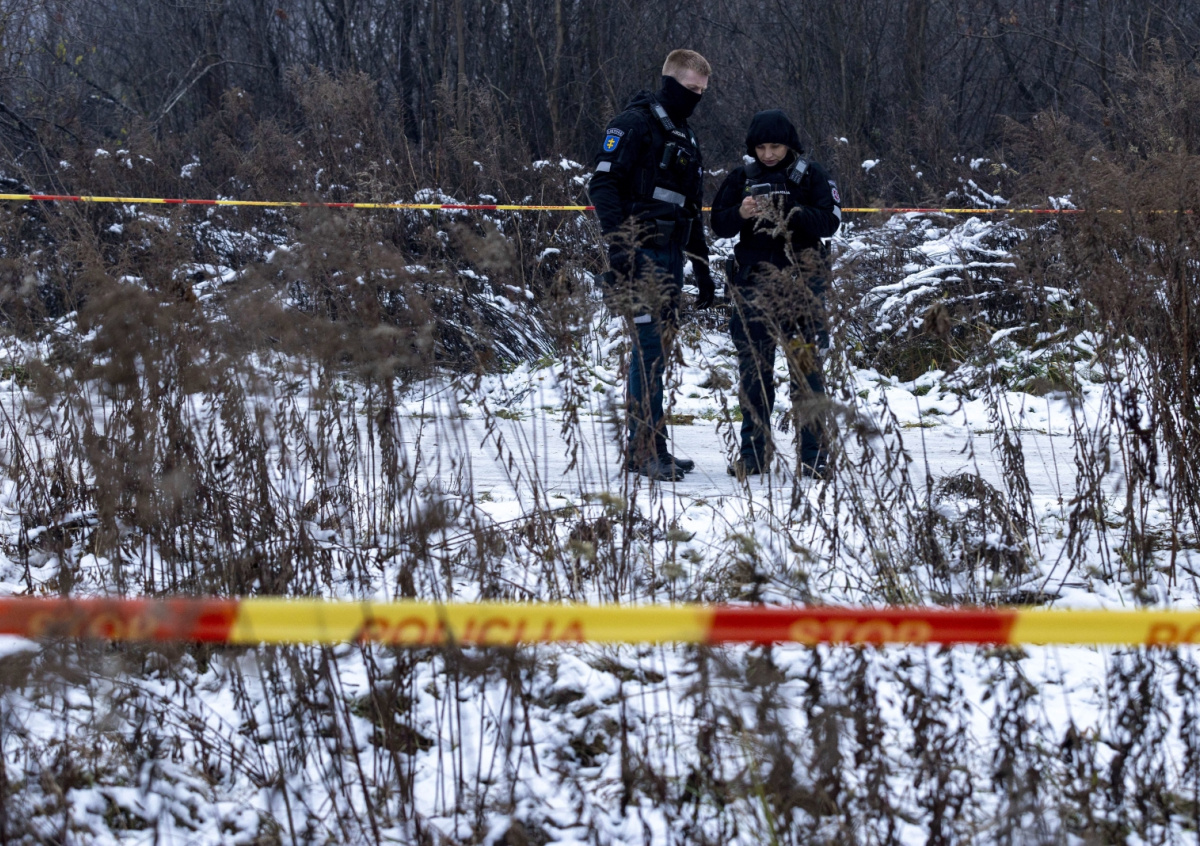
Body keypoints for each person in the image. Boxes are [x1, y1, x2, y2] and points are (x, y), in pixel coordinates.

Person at [588, 49, 715, 482]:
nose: (696, 97)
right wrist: (619, 247)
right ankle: (641, 450)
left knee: (658, 351)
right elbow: (602, 184)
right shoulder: (634, 123)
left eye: (702, 92)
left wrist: (702, 267)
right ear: (670, 82)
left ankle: (652, 445)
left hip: (672, 254)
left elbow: (690, 208)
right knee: (647, 350)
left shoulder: (685, 135)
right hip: (640, 252)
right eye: (691, 89)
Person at [709, 109, 842, 479]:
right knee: (754, 373)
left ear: (789, 145)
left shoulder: (812, 175)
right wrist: (741, 212)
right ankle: (753, 455)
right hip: (752, 285)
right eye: (761, 148)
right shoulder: (741, 177)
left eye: (776, 147)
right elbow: (718, 223)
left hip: (802, 284)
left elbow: (830, 221)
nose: (768, 154)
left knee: (807, 373)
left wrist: (790, 212)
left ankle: (814, 457)